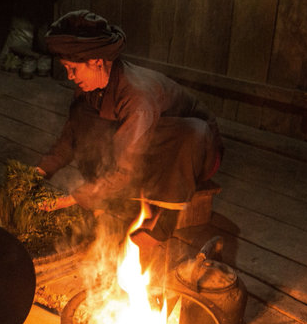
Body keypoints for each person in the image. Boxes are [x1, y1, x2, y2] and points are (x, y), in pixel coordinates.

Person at [36, 10, 223, 254]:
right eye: (66, 68)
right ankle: (107, 195)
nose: (70, 76)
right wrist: (39, 171)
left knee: (191, 132)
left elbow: (125, 169)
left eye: (73, 68)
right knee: (85, 116)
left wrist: (72, 198)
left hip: (196, 149)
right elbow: (70, 137)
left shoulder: (136, 96)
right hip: (146, 140)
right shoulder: (90, 87)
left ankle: (164, 218)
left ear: (96, 62)